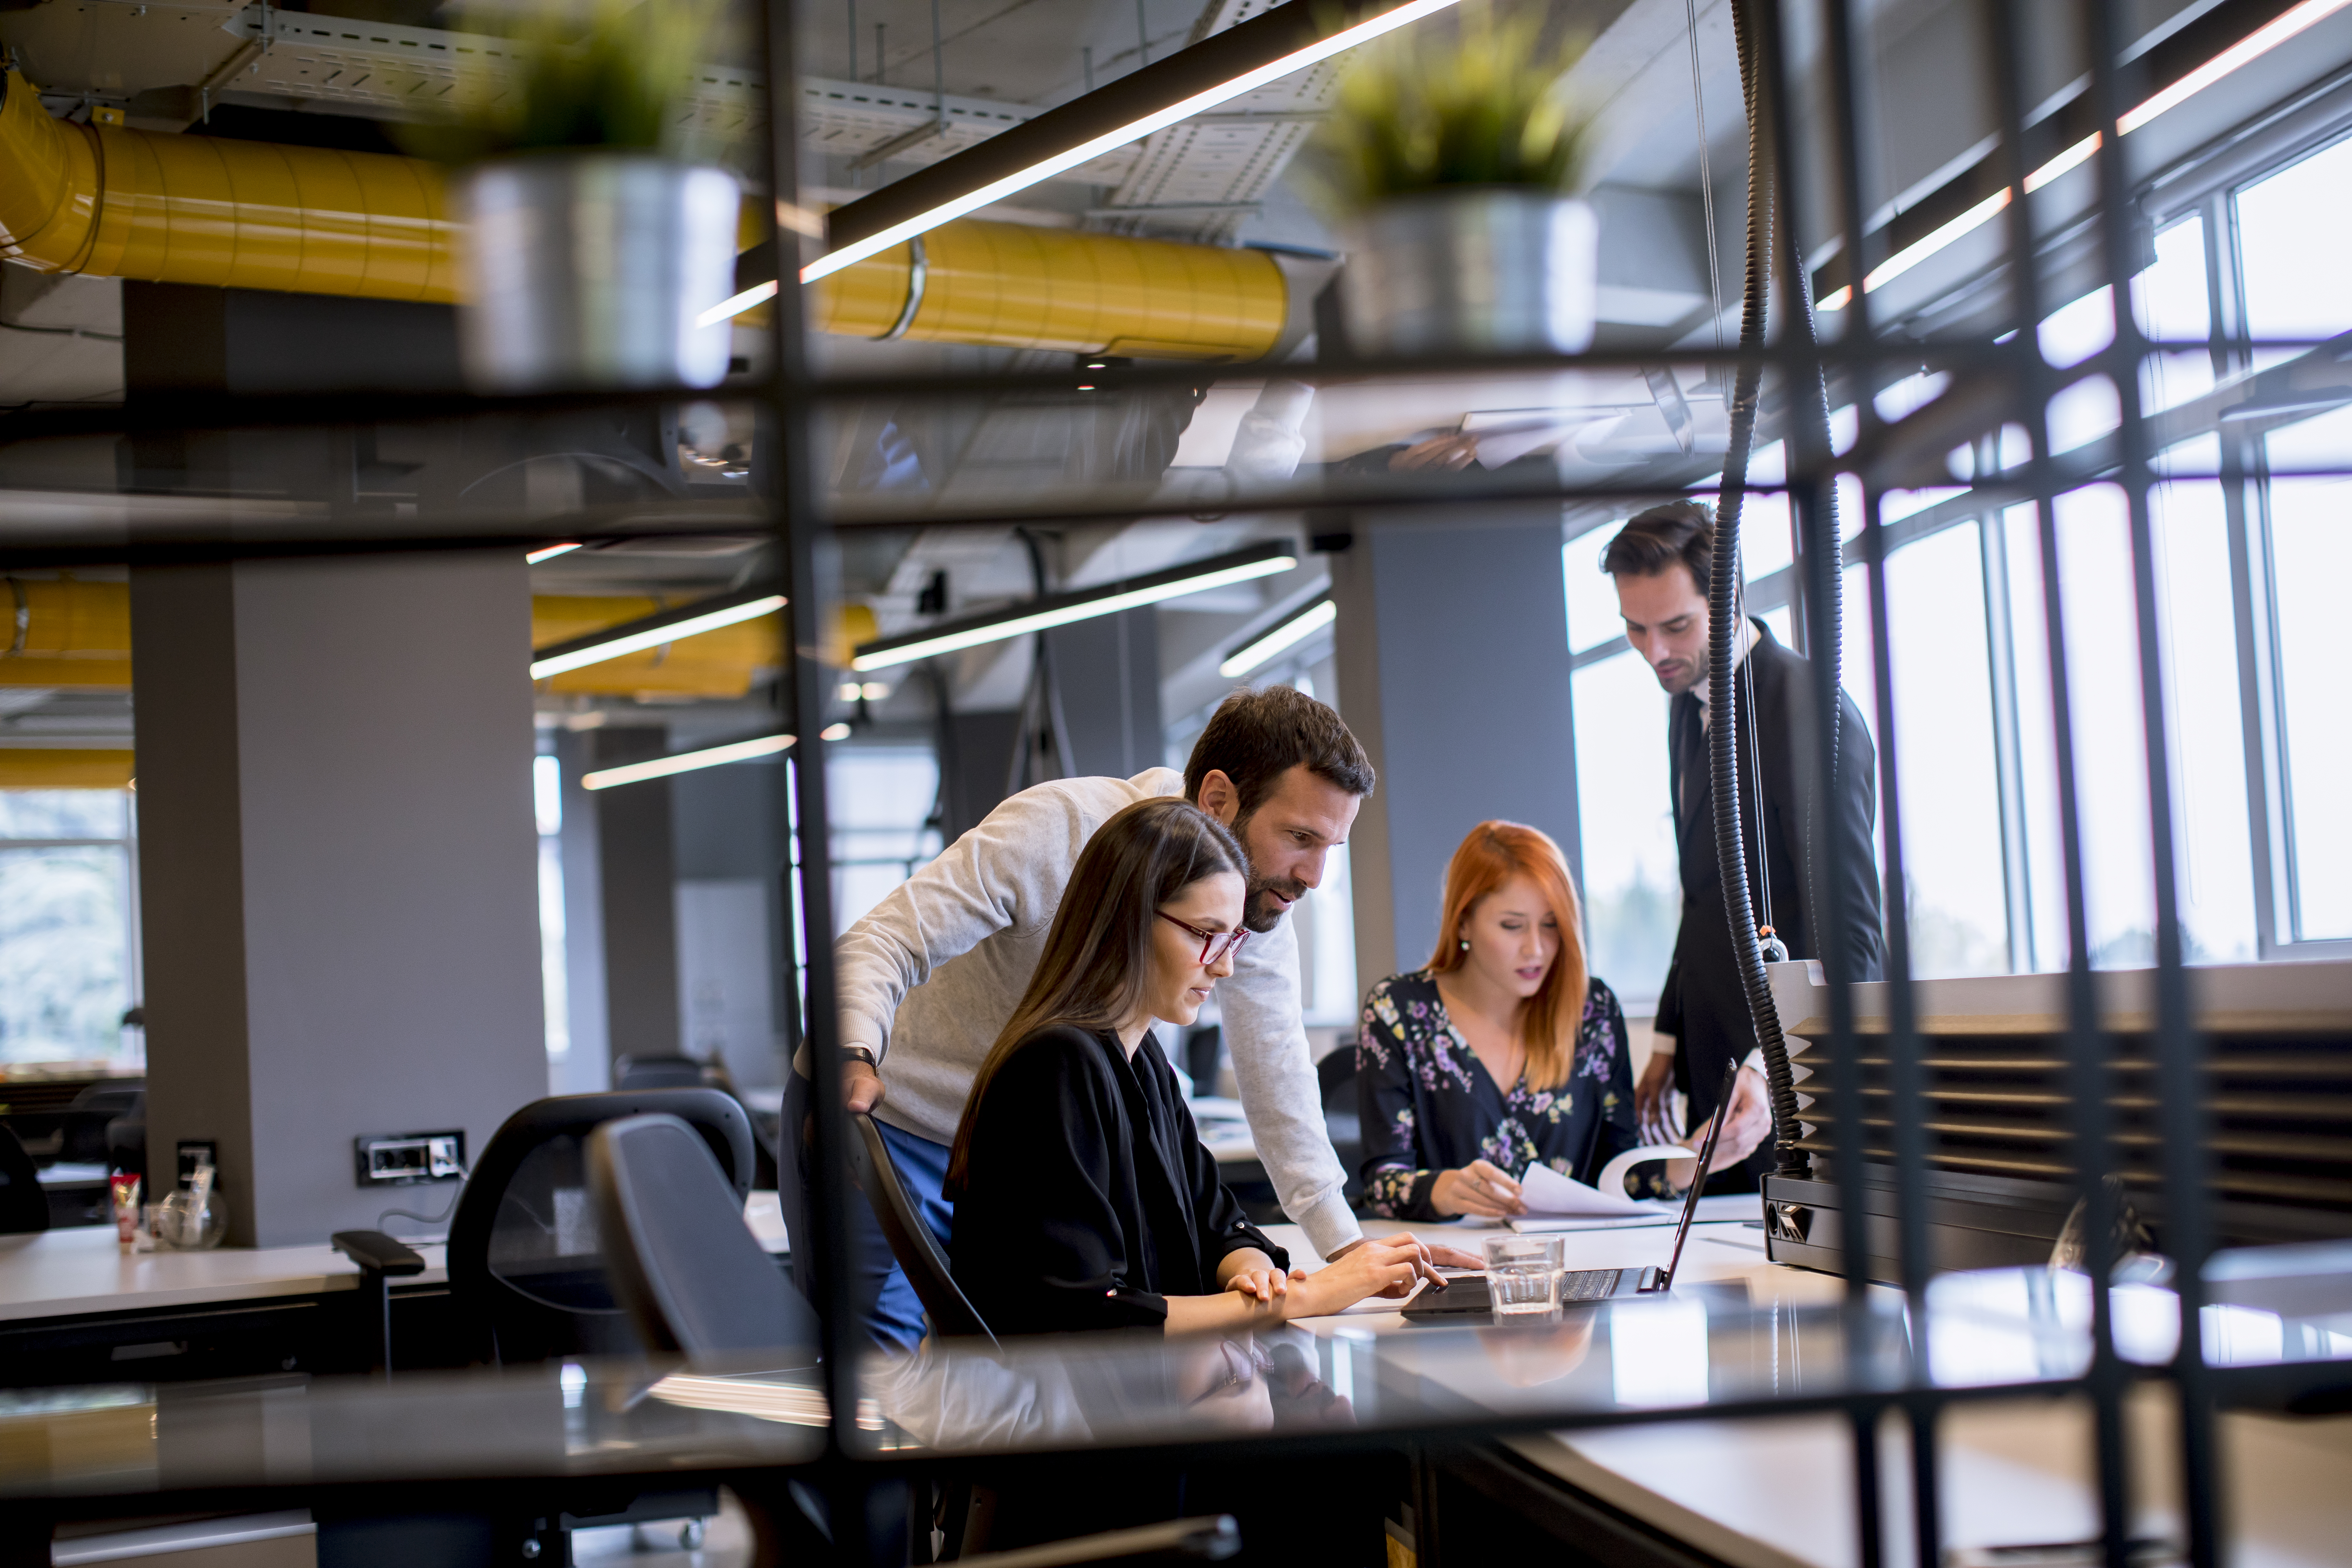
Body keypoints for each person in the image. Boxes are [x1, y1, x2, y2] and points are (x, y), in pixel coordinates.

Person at [804, 684, 1470, 1349]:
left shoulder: (1242, 914)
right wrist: (851, 1049)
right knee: (886, 1374)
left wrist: (1348, 1252)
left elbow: (1279, 1076)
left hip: (1055, 1151)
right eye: (1300, 837)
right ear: (1218, 799)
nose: (1315, 876)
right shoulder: (1058, 829)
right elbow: (885, 941)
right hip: (896, 1117)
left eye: (1331, 847)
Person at [947, 797, 1428, 1336]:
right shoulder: (1056, 1064)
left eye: (1233, 938)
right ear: (1126, 920)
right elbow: (1091, 1313)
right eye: (1204, 934)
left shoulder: (1143, 1057)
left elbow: (1218, 1223)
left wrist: (1255, 1275)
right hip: (1063, 1389)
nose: (1224, 966)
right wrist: (1304, 1297)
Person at [1601, 501, 1885, 1182]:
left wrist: (1769, 1066)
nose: (1655, 652)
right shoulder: (1688, 698)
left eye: (1676, 626)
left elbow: (1853, 944)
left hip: (1790, 1085)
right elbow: (1705, 893)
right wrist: (1666, 1035)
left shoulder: (1809, 713)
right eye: (1636, 628)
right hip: (1714, 1069)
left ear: (1729, 598)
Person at [1354, 821, 1745, 1220]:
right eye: (1512, 926)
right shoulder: (1396, 1010)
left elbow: (1619, 1176)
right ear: (1463, 921)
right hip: (1451, 1255)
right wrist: (1442, 1191)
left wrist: (1693, 1159)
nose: (1536, 949)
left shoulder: (1593, 1011)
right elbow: (1383, 1183)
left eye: (1551, 925)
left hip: (1576, 1253)